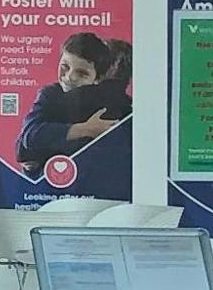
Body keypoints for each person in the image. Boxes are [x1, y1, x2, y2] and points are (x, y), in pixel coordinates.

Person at [13, 31, 133, 187]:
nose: (70, 77)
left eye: (82, 74)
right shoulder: (52, 95)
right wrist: (84, 129)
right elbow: (27, 144)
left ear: (99, 78)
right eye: (65, 67)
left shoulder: (119, 110)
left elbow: (25, 149)